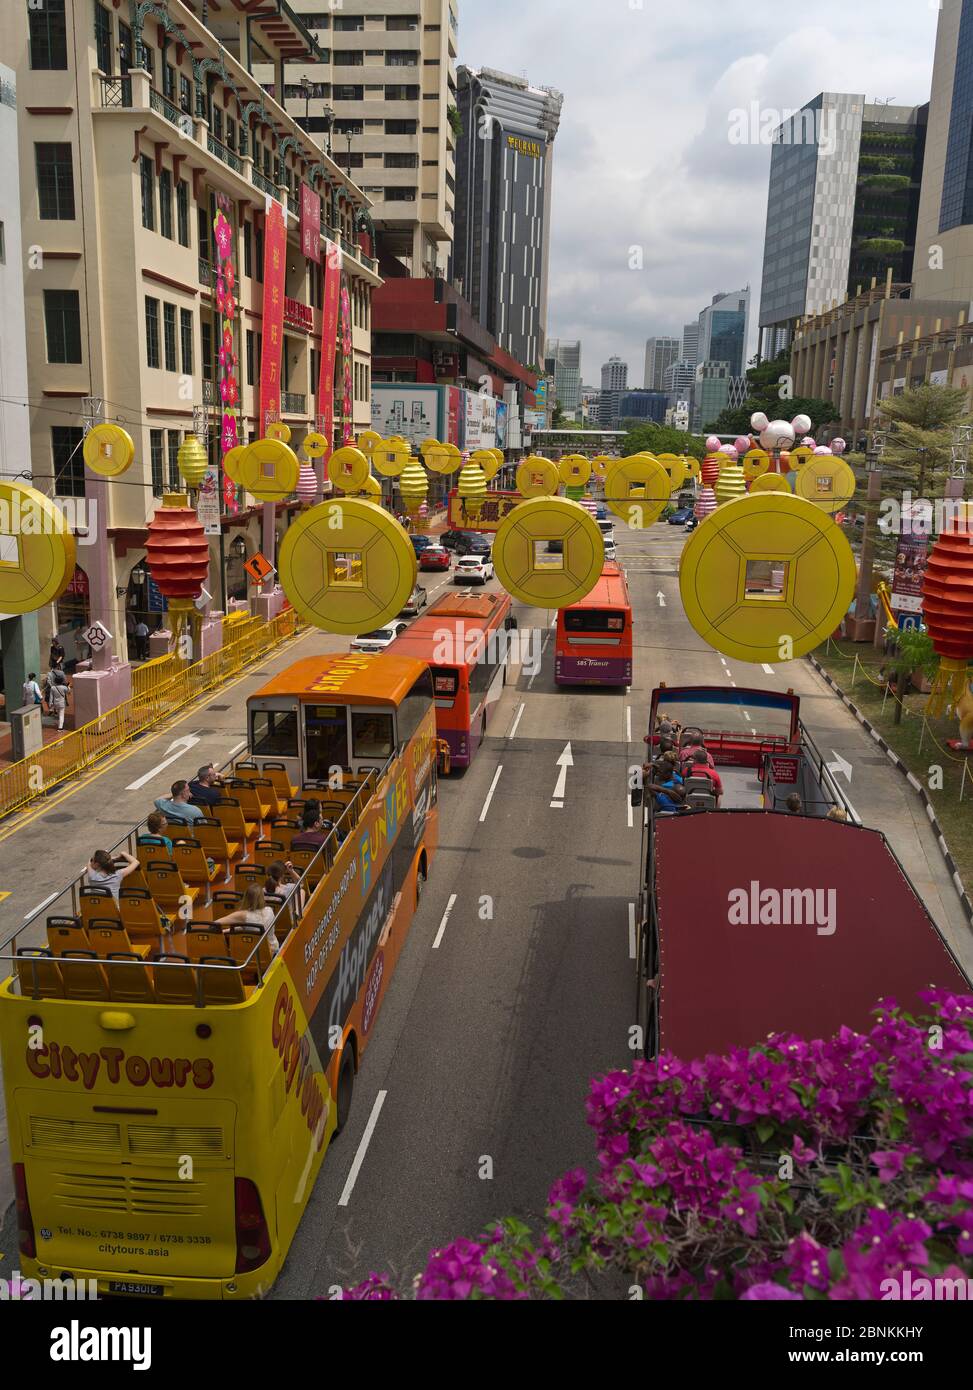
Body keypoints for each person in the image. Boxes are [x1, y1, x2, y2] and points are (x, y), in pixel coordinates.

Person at [215, 883, 281, 955]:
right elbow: (253, 928)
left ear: (246, 897)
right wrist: (228, 930)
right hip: (273, 952)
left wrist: (224, 931)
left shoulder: (243, 915)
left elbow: (216, 923)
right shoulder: (269, 910)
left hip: (253, 954)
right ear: (262, 897)